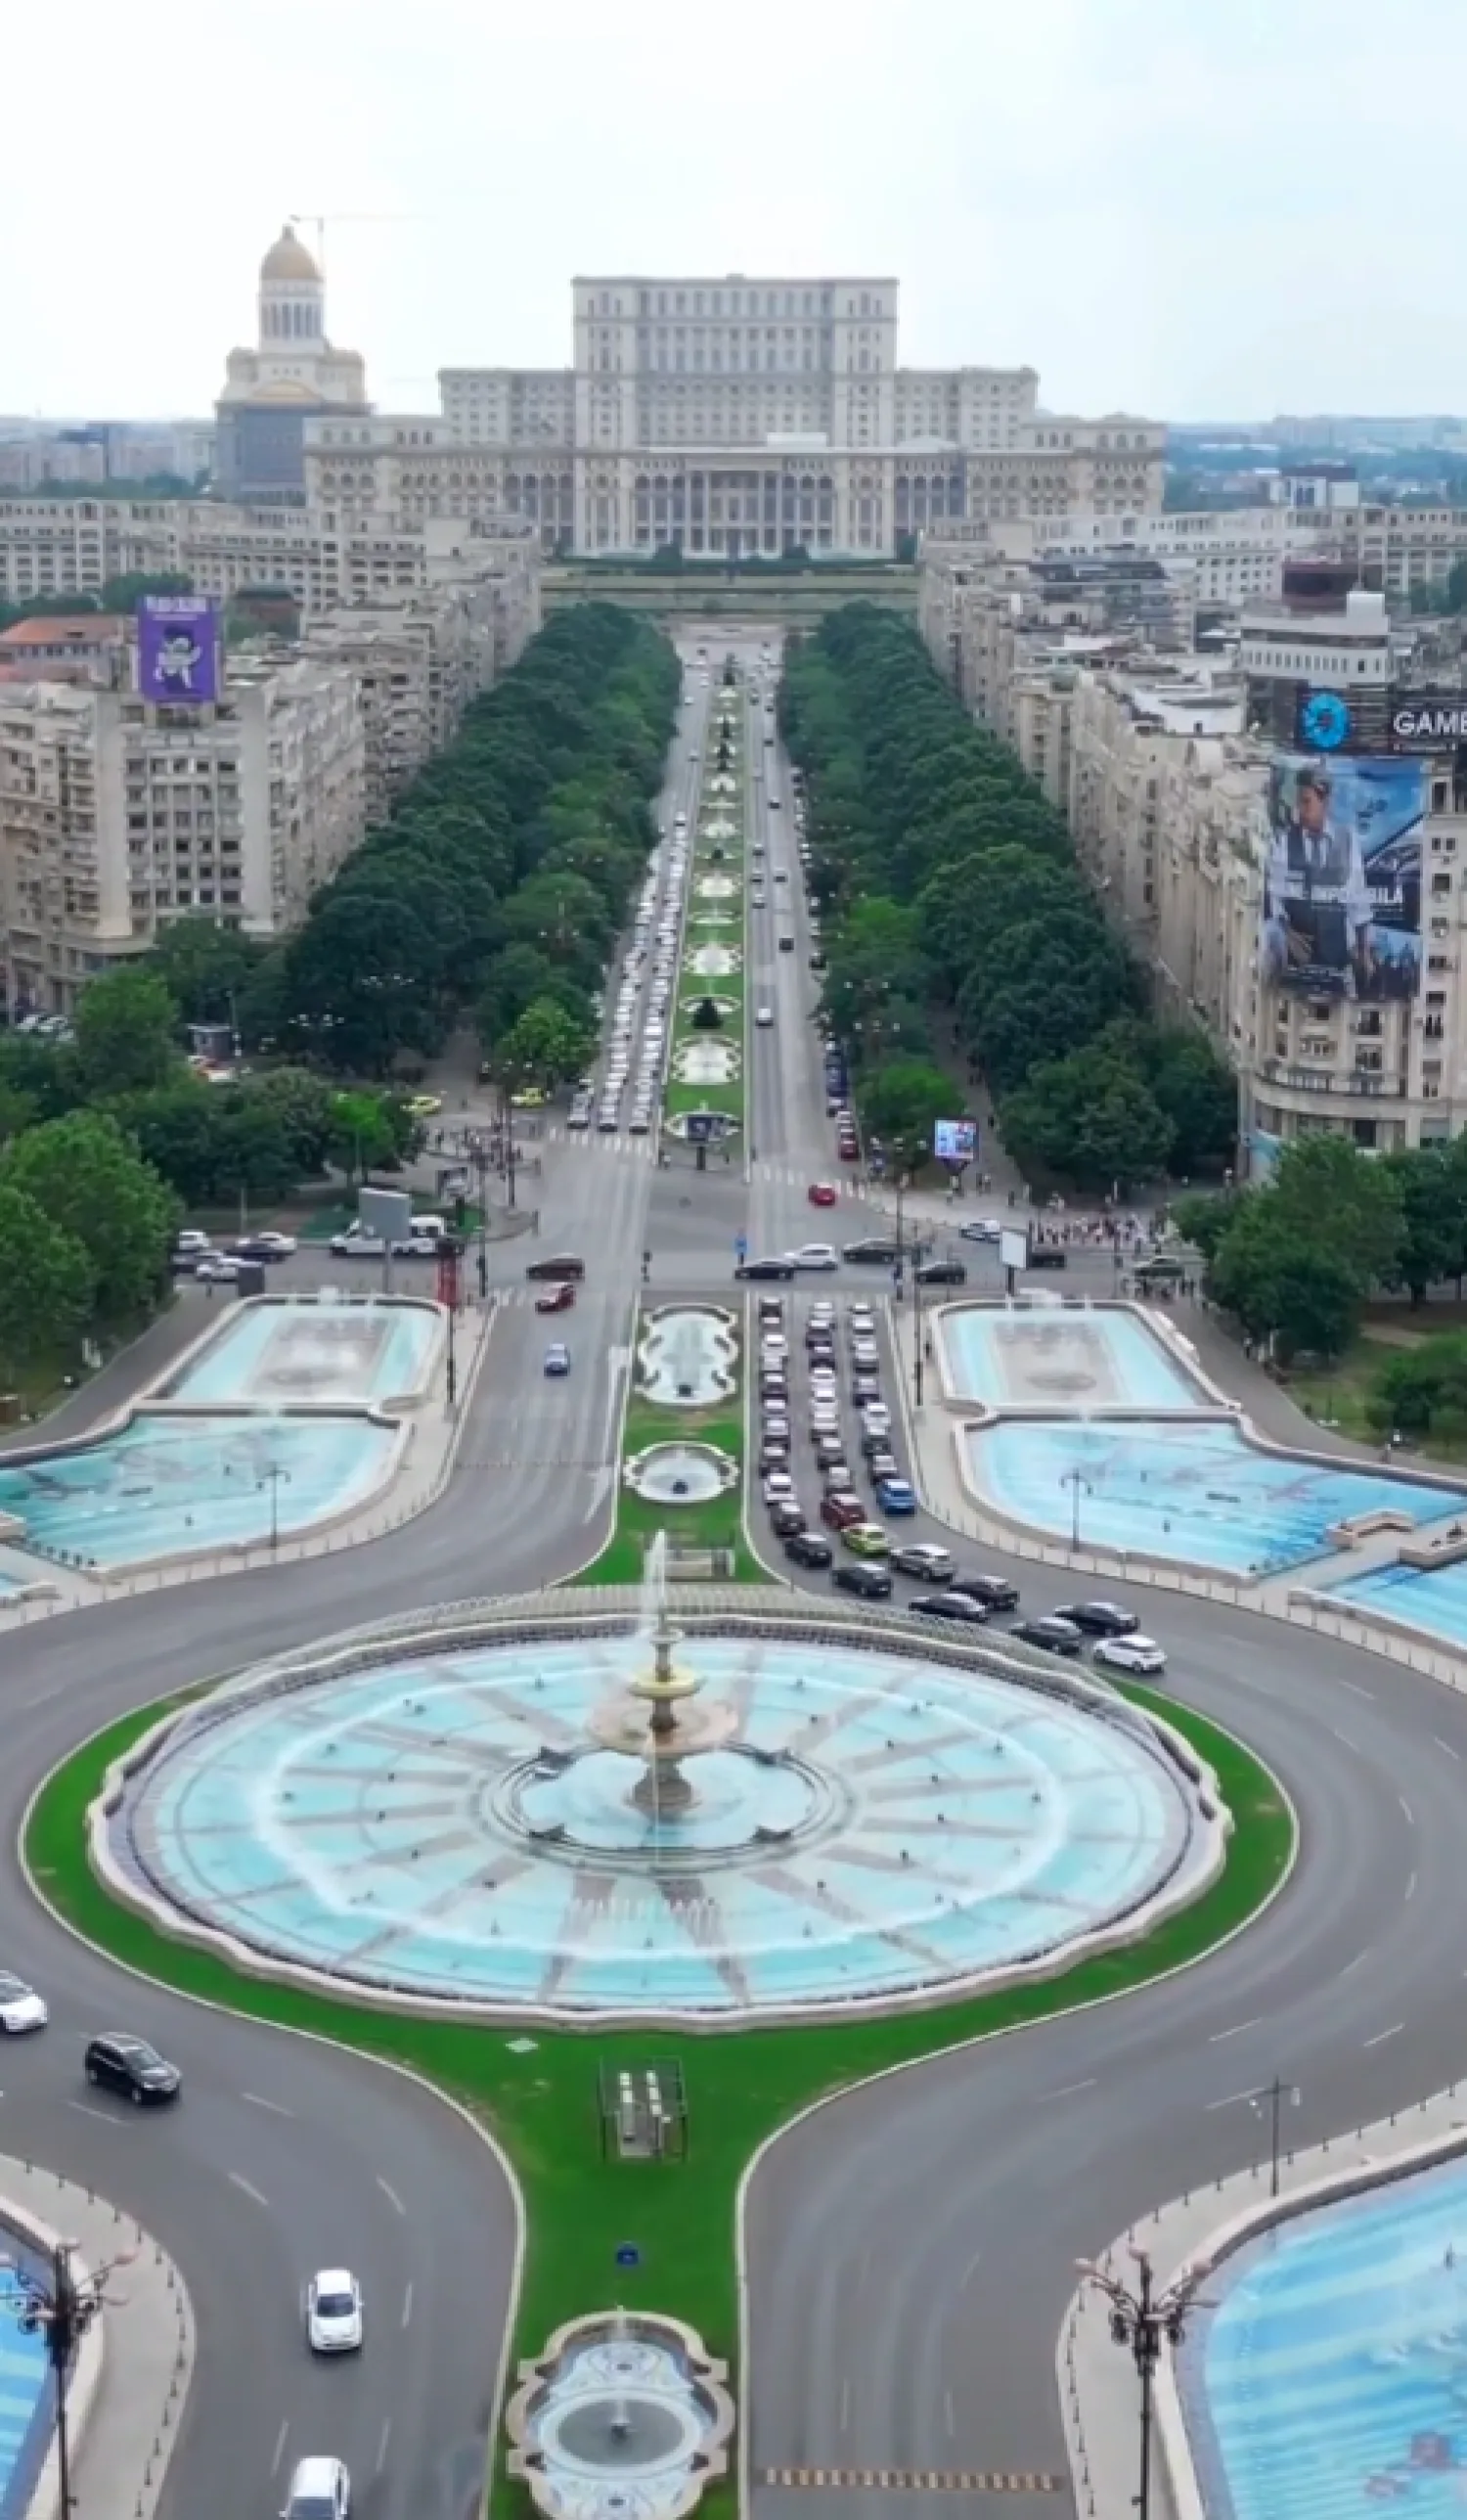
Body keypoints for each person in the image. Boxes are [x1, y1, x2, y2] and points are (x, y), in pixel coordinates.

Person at [1263, 764, 1373, 998]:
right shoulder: (1284, 842)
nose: (1300, 810)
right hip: (1297, 966)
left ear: (1326, 802)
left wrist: (1364, 950)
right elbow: (1275, 897)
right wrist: (1287, 934)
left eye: (1306, 802)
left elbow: (1359, 899)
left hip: (1336, 963)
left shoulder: (1347, 841)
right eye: (1299, 802)